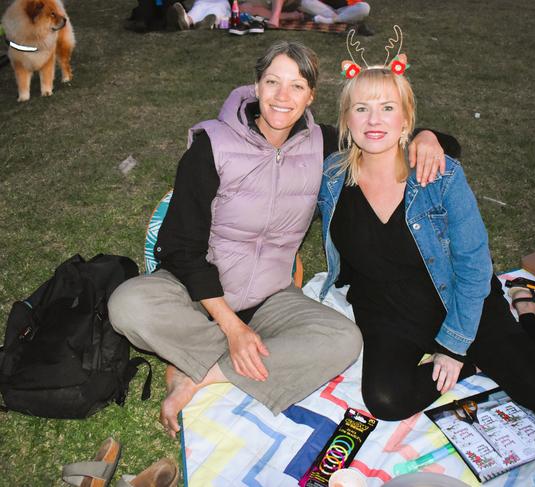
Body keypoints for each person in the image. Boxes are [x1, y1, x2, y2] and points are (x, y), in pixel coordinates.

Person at [108, 41, 449, 438]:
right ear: (256, 85)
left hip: (272, 297)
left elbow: (379, 135)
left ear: (311, 96)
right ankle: (243, 352)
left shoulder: (322, 144)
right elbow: (179, 247)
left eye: (297, 86)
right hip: (197, 295)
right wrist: (233, 329)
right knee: (128, 304)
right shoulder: (212, 145)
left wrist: (425, 137)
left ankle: (199, 373)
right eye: (273, 82)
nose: (283, 97)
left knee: (343, 340)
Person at [317, 62, 535, 422]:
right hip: (387, 309)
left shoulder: (439, 175)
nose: (374, 120)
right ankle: (475, 362)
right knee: (386, 400)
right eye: (362, 108)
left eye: (387, 108)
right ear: (346, 119)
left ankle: (529, 314)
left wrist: (453, 347)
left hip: (455, 295)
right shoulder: (331, 175)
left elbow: (474, 266)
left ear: (406, 121)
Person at [299, 0, 370, 25]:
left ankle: (331, 20)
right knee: (303, 2)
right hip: (325, 9)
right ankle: (342, 19)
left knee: (364, 8)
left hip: (345, 9)